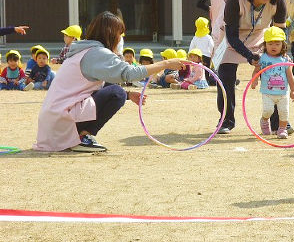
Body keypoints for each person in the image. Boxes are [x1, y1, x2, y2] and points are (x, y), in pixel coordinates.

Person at [33, 11, 184, 152]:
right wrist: (166, 64)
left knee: (118, 92)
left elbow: (100, 82)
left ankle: (79, 136)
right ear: (112, 35)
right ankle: (81, 137)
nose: (120, 39)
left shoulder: (84, 50)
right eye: (120, 34)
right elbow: (129, 73)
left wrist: (128, 94)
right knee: (116, 93)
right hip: (61, 120)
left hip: (53, 121)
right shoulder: (96, 53)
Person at [213, 0, 288, 134]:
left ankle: (280, 123)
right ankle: (226, 120)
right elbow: (231, 36)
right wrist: (249, 56)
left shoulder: (279, 1)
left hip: (261, 36)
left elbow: (279, 35)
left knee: (274, 73)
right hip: (229, 37)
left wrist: (281, 55)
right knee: (226, 76)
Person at [251, 27, 294, 138]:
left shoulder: (285, 59)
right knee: (268, 110)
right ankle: (264, 121)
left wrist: (293, 90)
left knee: (284, 113)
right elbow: (257, 71)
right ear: (265, 45)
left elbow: (290, 76)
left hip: (283, 93)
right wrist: (254, 80)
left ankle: (282, 130)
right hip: (267, 92)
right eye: (270, 44)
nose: (273, 46)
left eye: (277, 44)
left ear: (283, 45)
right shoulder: (263, 58)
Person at [189, 17, 215, 85]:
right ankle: (205, 81)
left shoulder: (195, 38)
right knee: (206, 71)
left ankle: (197, 81)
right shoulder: (208, 37)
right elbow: (212, 47)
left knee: (196, 70)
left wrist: (190, 57)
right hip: (206, 57)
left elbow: (191, 48)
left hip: (197, 57)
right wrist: (213, 55)